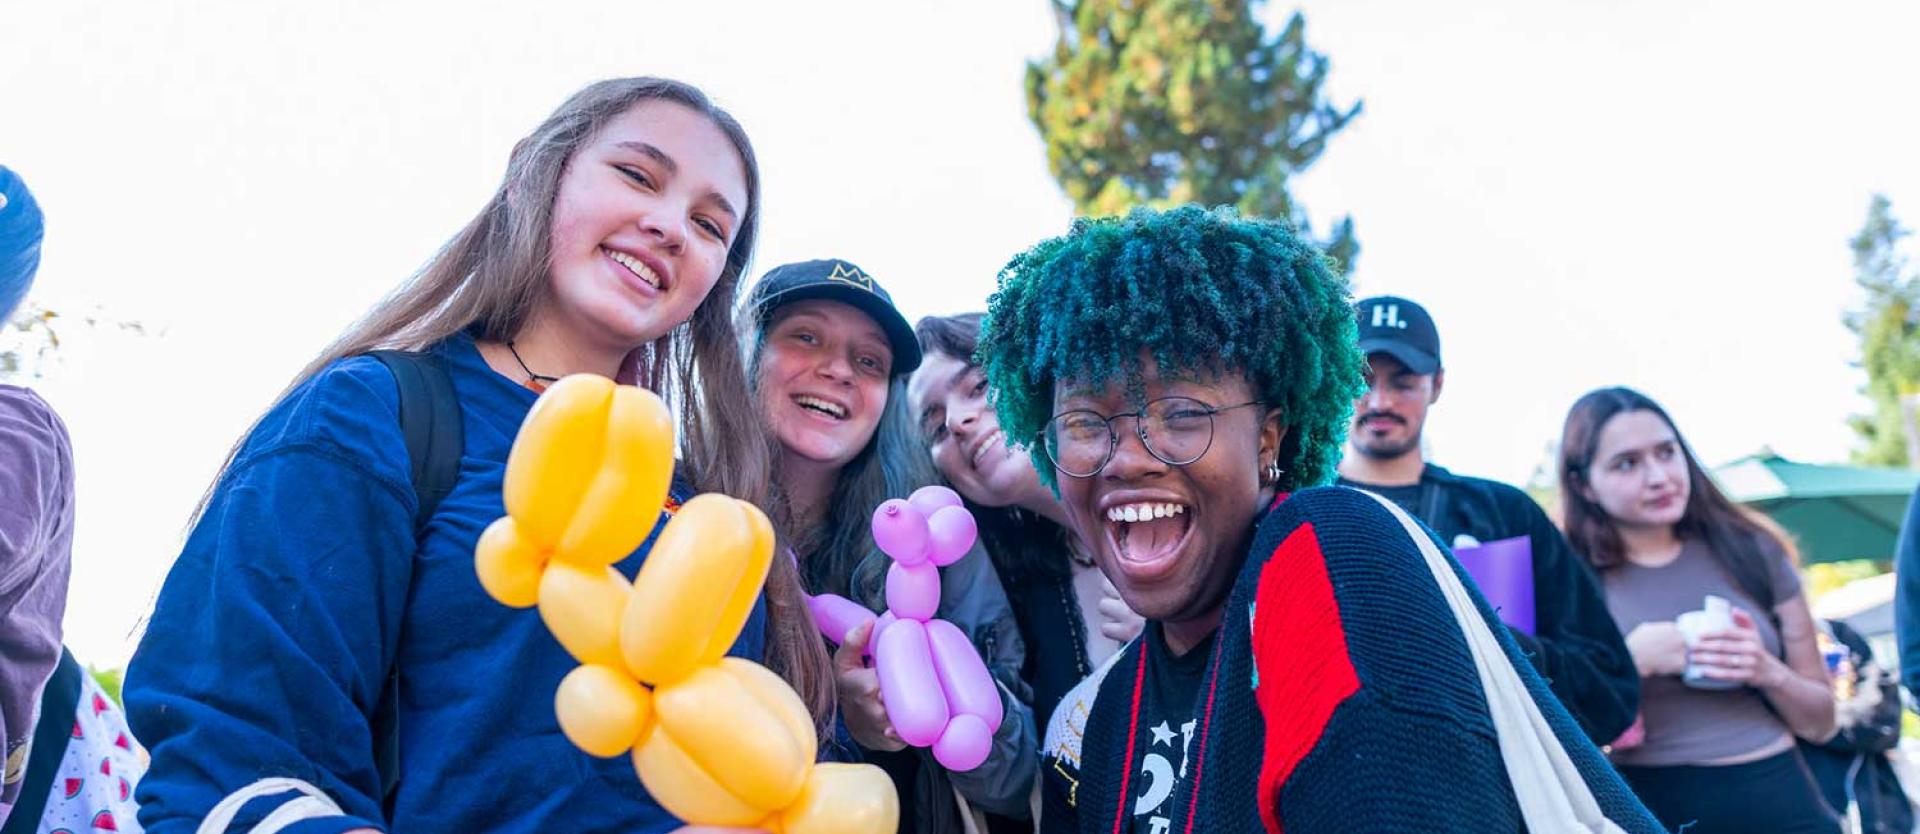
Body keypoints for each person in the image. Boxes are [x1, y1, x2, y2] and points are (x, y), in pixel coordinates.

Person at [123, 77, 834, 834]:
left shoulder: (706, 513)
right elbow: (232, 757)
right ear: (536, 170)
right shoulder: (371, 416)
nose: (669, 227)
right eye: (636, 175)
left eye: (709, 225)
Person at [980, 206, 1662, 833]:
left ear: (1270, 440)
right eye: (1083, 422)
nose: (1126, 458)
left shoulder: (1333, 545)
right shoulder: (1103, 722)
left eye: (1182, 414)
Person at [746, 261, 1036, 833]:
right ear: (750, 352)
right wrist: (831, 713)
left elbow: (1017, 777)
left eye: (869, 361)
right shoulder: (677, 507)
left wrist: (923, 707)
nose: (838, 371)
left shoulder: (930, 537)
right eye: (806, 336)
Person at [1334, 295, 1638, 744]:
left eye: (1404, 383)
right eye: (1363, 380)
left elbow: (1610, 686)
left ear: (1436, 385)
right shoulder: (1298, 511)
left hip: (1488, 786)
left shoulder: (1502, 514)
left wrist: (1494, 642)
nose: (1380, 401)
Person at [1558, 386, 1840, 834]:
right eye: (1627, 463)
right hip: (1652, 805)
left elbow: (1822, 723)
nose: (1659, 476)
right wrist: (1628, 666)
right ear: (1583, 484)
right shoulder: (1566, 579)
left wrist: (1766, 670)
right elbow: (1549, 733)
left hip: (1784, 797)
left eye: (1667, 453)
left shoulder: (1753, 550)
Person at [909, 312, 1144, 731]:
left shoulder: (1185, 509)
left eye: (978, 386)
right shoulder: (1021, 603)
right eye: (934, 427)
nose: (955, 422)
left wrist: (1185, 634)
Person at [1799, 618, 1912, 834]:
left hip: (1881, 810)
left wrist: (1812, 717)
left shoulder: (1836, 634)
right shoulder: (1768, 652)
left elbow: (1882, 718)